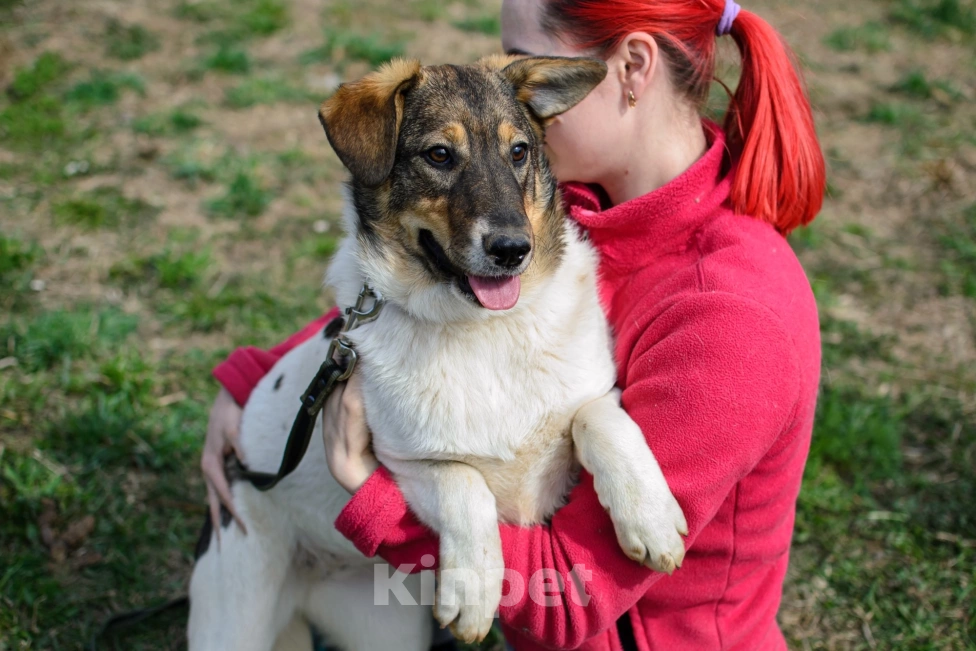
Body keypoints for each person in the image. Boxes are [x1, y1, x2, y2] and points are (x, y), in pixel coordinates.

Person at [202, 0, 825, 648]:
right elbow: (408, 294)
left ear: (633, 68)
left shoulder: (731, 319)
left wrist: (376, 499)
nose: (509, 90)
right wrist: (257, 378)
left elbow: (566, 603)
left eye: (528, 64)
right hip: (454, 571)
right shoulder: (573, 204)